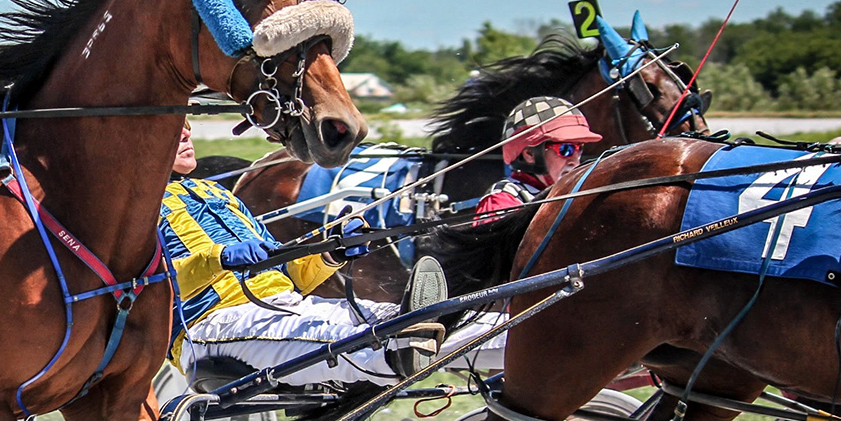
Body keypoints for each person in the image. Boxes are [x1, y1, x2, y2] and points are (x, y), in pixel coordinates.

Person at [162, 126, 446, 386]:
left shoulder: (213, 191)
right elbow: (142, 286)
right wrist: (218, 258)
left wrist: (331, 253)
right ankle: (396, 354)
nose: (185, 133)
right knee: (361, 343)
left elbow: (287, 275)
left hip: (286, 305)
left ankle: (478, 344)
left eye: (187, 124)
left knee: (420, 320)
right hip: (214, 324)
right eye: (176, 125)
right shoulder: (134, 211)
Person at [472, 96, 601, 223]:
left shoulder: (579, 193)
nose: (575, 161)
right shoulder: (502, 200)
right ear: (530, 154)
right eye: (566, 149)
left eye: (579, 149)